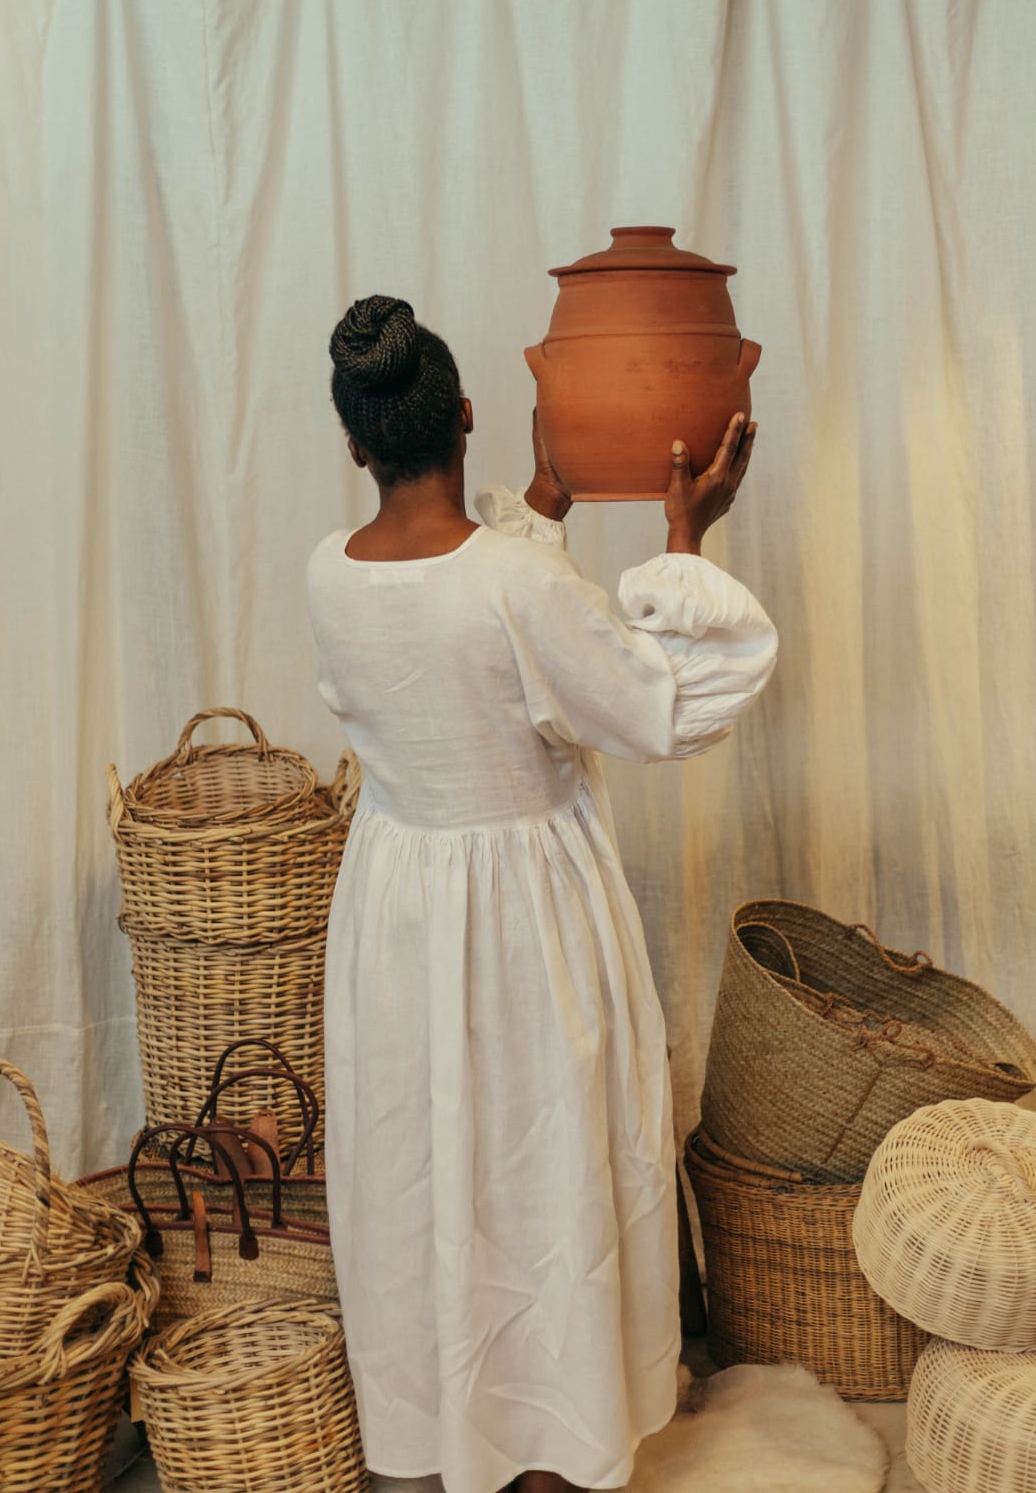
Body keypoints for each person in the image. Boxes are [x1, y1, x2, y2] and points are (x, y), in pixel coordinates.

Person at [307, 294, 777, 1493]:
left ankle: (446, 1427)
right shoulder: (516, 588)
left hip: (399, 910)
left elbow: (473, 620)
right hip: (522, 917)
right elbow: (651, 698)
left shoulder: (329, 575)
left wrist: (548, 500)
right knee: (541, 1161)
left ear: (354, 443)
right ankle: (553, 1439)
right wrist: (686, 538)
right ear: (466, 414)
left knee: (428, 1163)